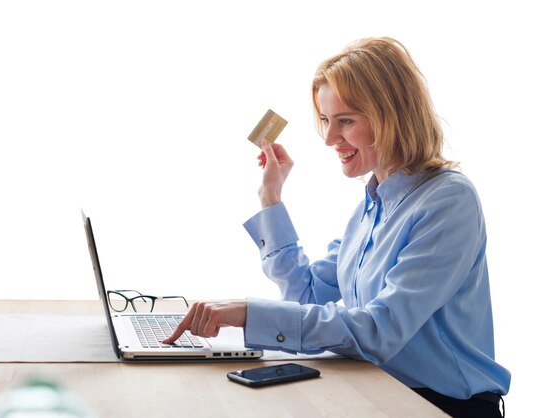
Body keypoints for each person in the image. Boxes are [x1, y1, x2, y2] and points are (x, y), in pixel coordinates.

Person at [164, 37, 510, 417]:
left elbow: (379, 329)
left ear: (391, 116)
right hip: (381, 391)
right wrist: (271, 198)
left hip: (444, 406)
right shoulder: (372, 206)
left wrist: (249, 312)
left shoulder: (448, 201)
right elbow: (308, 295)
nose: (329, 139)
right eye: (327, 121)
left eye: (345, 121)